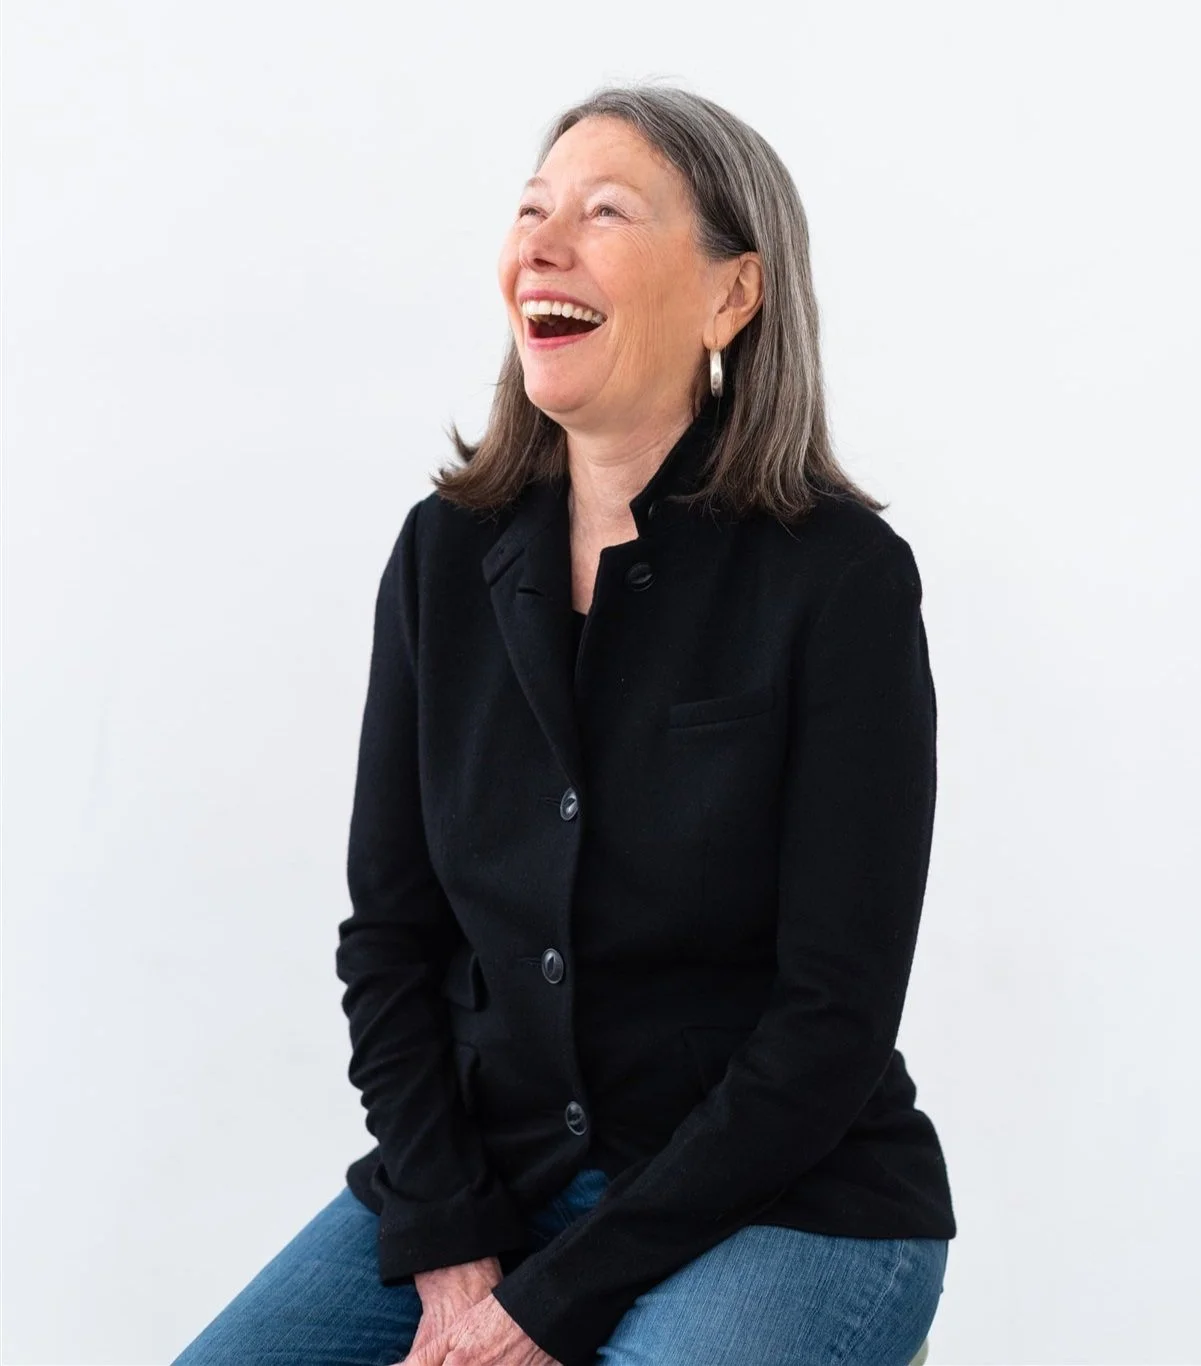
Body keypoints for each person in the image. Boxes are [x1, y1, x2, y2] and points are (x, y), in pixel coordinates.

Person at [172, 83, 955, 1366]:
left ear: (731, 295)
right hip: (503, 1174)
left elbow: (832, 1016)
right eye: (530, 211)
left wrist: (547, 1306)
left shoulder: (841, 579)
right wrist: (446, 1234)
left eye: (602, 213)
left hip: (785, 1202)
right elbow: (391, 936)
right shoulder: (443, 557)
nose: (540, 245)